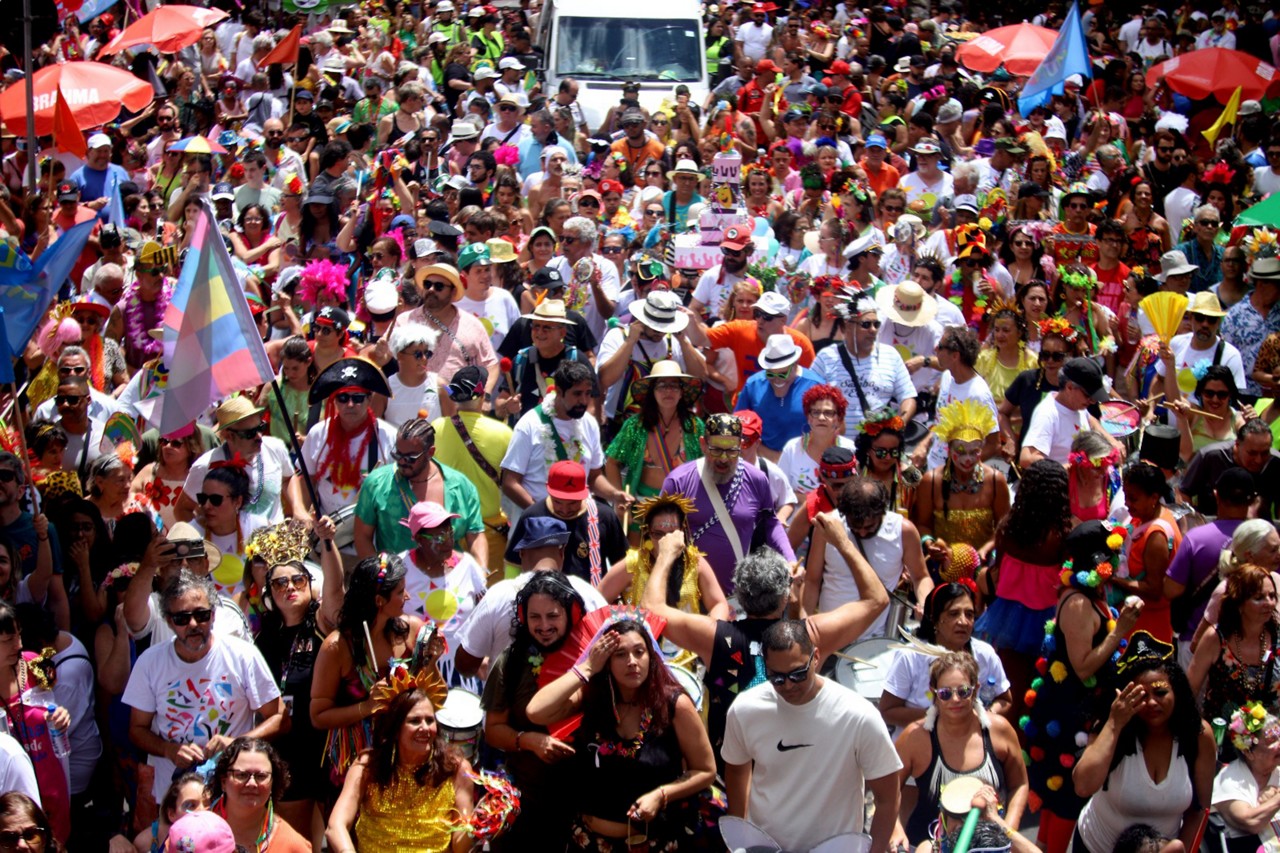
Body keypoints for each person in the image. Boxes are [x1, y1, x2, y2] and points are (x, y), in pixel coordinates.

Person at [526, 615, 718, 849]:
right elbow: (536, 711)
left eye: (639, 652)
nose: (632, 661)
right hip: (587, 842)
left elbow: (705, 770)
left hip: (652, 842)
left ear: (652, 656)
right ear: (606, 661)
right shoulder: (592, 698)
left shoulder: (674, 705)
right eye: (620, 654)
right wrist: (586, 667)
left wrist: (662, 795)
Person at [722, 619, 903, 853]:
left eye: (797, 674)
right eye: (777, 677)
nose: (787, 685)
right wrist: (740, 838)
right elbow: (736, 769)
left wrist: (876, 850)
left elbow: (888, 796)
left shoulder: (858, 715)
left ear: (816, 657)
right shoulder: (745, 709)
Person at [1021, 521, 1144, 853]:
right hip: (1069, 717)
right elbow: (1083, 666)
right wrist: (1122, 631)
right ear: (1098, 559)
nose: (1118, 562)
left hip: (1083, 710)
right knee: (1066, 800)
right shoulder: (1077, 604)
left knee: (1059, 799)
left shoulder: (1092, 594)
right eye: (1114, 555)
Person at [122, 570, 283, 810]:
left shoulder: (242, 654)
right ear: (168, 621)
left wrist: (236, 742)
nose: (194, 624)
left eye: (201, 615)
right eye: (182, 618)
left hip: (233, 794)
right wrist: (168, 749)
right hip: (175, 798)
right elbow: (137, 729)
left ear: (214, 615)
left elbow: (280, 717)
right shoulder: (150, 662)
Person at [1073, 632, 1217, 853]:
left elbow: (1199, 810)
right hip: (1096, 847)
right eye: (1140, 695)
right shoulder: (1110, 727)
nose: (1151, 702)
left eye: (1160, 692)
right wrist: (1114, 723)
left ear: (1176, 692)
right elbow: (1083, 786)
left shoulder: (1198, 735)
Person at [253, 517, 343, 845]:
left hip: (326, 746)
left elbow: (335, 591)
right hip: (287, 749)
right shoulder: (264, 638)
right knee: (297, 840)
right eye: (279, 583)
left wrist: (328, 544)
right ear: (270, 593)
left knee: (334, 836)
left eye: (298, 580)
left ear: (309, 582)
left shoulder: (320, 621)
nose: (290, 587)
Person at [310, 553, 436, 786]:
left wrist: (430, 663)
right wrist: (366, 707)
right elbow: (318, 716)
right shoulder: (338, 646)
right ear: (379, 600)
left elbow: (433, 697)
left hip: (407, 758)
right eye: (400, 592)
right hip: (356, 764)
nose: (407, 597)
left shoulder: (412, 631)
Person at [480, 572, 585, 850]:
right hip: (527, 803)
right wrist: (529, 741)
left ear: (572, 612)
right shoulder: (511, 662)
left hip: (584, 803)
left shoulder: (591, 658)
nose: (544, 626)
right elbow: (492, 731)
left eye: (553, 616)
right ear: (523, 616)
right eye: (535, 617)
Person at [891, 652, 1028, 847]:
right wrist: (895, 828)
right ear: (934, 693)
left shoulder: (999, 731)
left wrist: (1007, 831)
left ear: (976, 689)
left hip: (989, 847)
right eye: (945, 693)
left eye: (963, 691)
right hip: (928, 845)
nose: (955, 699)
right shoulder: (915, 737)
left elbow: (1019, 784)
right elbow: (888, 789)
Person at [326, 682, 475, 852]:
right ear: (396, 729)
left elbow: (460, 847)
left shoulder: (457, 769)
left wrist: (479, 824)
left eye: (430, 720)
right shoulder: (367, 765)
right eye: (414, 721)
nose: (425, 728)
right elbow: (335, 826)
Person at [455, 519, 608, 679]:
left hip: (509, 702)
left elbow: (465, 665)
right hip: (573, 700)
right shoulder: (588, 594)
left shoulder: (497, 595)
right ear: (562, 552)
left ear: (521, 554)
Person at [660, 414, 795, 592]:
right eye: (716, 450)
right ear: (703, 444)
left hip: (737, 594)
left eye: (731, 451)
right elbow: (658, 533)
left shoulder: (756, 479)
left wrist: (790, 558)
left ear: (740, 446)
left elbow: (770, 522)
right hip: (686, 591)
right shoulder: (678, 481)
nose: (723, 459)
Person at [805, 475, 932, 637]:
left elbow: (921, 577)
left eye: (870, 527)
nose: (863, 532)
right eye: (855, 528)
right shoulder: (828, 525)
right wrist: (805, 624)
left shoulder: (904, 531)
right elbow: (812, 581)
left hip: (877, 641)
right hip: (830, 636)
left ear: (882, 512)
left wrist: (925, 603)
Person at [597, 493, 728, 646]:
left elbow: (719, 603)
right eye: (658, 534)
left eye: (672, 533)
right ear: (647, 532)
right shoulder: (632, 565)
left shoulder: (695, 562)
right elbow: (596, 602)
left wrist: (711, 631)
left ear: (682, 530)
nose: (666, 540)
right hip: (643, 656)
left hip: (687, 657)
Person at [352, 417, 486, 565]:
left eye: (410, 457)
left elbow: (475, 534)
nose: (402, 462)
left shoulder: (461, 486)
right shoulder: (376, 483)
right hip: (397, 582)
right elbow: (362, 537)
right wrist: (383, 579)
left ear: (430, 452)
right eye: (398, 454)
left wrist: (480, 572)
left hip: (449, 581)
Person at [880, 583, 1013, 730]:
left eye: (969, 614)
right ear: (934, 619)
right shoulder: (910, 657)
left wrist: (984, 716)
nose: (963, 622)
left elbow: (1005, 700)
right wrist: (943, 718)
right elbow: (888, 711)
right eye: (953, 614)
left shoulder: (985, 654)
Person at [501, 360, 623, 514]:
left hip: (579, 521)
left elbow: (593, 477)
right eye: (577, 394)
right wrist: (543, 514)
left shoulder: (590, 424)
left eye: (588, 393)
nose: (584, 401)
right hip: (538, 525)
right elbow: (510, 483)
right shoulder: (529, 424)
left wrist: (614, 495)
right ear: (559, 391)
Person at [429, 366, 513, 585]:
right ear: (483, 395)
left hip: (446, 531)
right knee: (488, 596)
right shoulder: (504, 433)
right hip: (489, 532)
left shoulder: (436, 428)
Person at [397, 501, 487, 688]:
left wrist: (484, 655)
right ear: (419, 539)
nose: (448, 542)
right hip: (415, 669)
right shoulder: (400, 568)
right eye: (438, 537)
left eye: (450, 533)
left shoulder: (468, 566)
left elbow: (485, 614)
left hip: (462, 669)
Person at [175, 397, 300, 524]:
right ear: (228, 436)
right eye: (249, 433)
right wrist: (206, 538)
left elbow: (288, 478)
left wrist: (298, 508)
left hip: (273, 540)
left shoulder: (275, 447)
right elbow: (182, 510)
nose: (259, 436)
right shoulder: (205, 466)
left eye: (260, 427)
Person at [811, 290, 918, 434]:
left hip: (876, 450)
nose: (873, 330)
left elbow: (907, 397)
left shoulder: (891, 356)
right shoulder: (826, 357)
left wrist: (899, 423)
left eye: (876, 324)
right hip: (837, 448)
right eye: (866, 324)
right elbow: (809, 399)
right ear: (848, 325)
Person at [914, 399, 1009, 556]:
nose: (967, 459)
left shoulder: (995, 480)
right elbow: (923, 524)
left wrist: (985, 552)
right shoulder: (930, 482)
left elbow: (1003, 527)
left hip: (983, 564)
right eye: (961, 451)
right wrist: (930, 544)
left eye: (974, 452)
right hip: (943, 565)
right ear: (949, 450)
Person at [1187, 564, 1280, 722]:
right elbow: (1188, 692)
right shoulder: (1215, 638)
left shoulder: (1277, 636)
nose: (1269, 603)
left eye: (1272, 596)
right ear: (1239, 603)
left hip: (1270, 742)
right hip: (1220, 740)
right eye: (1259, 598)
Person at [604, 360, 705, 500]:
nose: (668, 391)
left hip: (683, 507)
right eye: (662, 385)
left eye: (674, 386)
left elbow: (707, 466)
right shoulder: (635, 425)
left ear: (682, 392)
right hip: (641, 507)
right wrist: (619, 499)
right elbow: (612, 463)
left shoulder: (694, 426)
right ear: (652, 392)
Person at [1112, 461, 1183, 643]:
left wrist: (1113, 579)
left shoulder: (1156, 536)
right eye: (1125, 496)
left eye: (1133, 499)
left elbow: (1154, 589)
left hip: (1148, 627)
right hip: (1134, 619)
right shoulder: (1145, 516)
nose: (1126, 504)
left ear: (1153, 498)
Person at [207, 738, 310, 852]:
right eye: (241, 775)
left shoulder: (293, 845)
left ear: (273, 783)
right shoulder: (197, 830)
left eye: (261, 776)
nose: (252, 783)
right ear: (223, 781)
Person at [1020, 357, 1123, 467]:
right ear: (1069, 387)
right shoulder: (1047, 414)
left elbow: (1090, 420)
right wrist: (1074, 467)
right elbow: (1027, 458)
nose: (1092, 402)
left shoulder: (1077, 406)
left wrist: (1111, 441)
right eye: (1088, 396)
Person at [1211, 702, 1280, 853]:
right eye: (1272, 741)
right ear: (1249, 752)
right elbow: (1251, 822)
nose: (1279, 745)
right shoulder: (1229, 781)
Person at [1179, 419, 1280, 518]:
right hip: (1213, 525)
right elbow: (1184, 491)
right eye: (1252, 453)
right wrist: (1190, 520)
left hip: (1259, 530)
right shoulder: (1210, 456)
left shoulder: (1276, 462)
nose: (1258, 460)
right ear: (1237, 445)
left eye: (1264, 453)